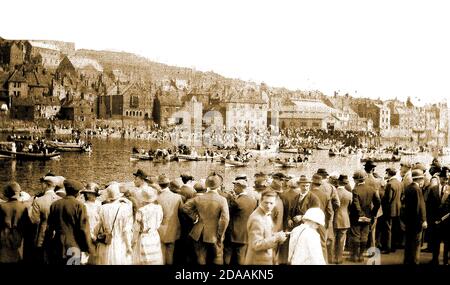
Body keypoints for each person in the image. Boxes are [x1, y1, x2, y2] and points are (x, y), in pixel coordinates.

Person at [182, 172, 230, 265]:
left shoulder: (199, 198)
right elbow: (225, 219)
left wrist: (194, 217)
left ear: (207, 185)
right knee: (218, 256)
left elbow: (185, 207)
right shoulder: (222, 200)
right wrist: (220, 235)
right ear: (219, 185)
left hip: (198, 232)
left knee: (200, 256)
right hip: (214, 233)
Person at [43, 179, 94, 265]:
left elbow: (49, 229)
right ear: (77, 193)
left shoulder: (55, 205)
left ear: (66, 190)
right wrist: (88, 247)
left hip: (57, 245)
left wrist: (47, 246)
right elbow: (83, 229)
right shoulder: (79, 206)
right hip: (73, 246)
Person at [245, 190, 288, 265]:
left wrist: (277, 235)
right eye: (266, 202)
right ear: (260, 201)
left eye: (271, 203)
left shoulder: (265, 214)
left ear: (275, 203)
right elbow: (256, 245)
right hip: (257, 261)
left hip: (264, 259)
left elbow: (266, 235)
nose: (268, 206)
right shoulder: (256, 219)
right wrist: (276, 238)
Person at [95, 183, 134, 265]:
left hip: (106, 242)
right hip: (120, 243)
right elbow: (126, 230)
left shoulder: (103, 208)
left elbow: (97, 226)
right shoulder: (125, 208)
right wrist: (128, 246)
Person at [349, 170, 381, 263]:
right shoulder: (371, 189)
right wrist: (373, 213)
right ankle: (361, 256)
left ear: (356, 180)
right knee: (364, 235)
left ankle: (355, 256)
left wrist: (360, 214)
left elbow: (356, 204)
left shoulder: (355, 190)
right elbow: (378, 202)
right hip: (368, 215)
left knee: (356, 235)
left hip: (356, 216)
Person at [29, 176, 61, 263]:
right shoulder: (60, 200)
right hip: (57, 236)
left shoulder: (39, 200)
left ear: (45, 185)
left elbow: (34, 221)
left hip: (42, 235)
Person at [226, 179, 257, 265]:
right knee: (241, 256)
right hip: (246, 232)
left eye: (235, 186)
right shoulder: (253, 200)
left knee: (228, 255)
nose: (234, 188)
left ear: (239, 187)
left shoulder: (236, 202)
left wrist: (230, 198)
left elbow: (228, 213)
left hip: (233, 233)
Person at [0, 182, 31, 263]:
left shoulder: (2, 206)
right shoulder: (23, 207)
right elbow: (28, 226)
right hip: (18, 239)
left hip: (4, 239)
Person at [132, 186, 163, 265]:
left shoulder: (141, 211)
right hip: (154, 235)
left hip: (144, 237)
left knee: (144, 259)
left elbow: (136, 228)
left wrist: (133, 241)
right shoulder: (158, 208)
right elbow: (160, 220)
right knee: (155, 259)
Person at [157, 174, 183, 265]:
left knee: (161, 252)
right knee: (170, 252)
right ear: (168, 185)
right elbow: (181, 212)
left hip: (160, 228)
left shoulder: (156, 198)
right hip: (174, 226)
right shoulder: (177, 197)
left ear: (159, 184)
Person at [403, 169, 427, 265]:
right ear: (420, 179)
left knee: (408, 243)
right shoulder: (417, 190)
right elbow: (419, 206)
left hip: (409, 221)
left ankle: (407, 261)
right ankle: (414, 261)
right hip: (416, 222)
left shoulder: (408, 188)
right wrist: (423, 220)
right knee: (416, 244)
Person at [381, 167, 403, 254]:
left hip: (390, 209)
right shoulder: (399, 183)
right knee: (395, 228)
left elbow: (388, 198)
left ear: (388, 173)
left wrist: (382, 200)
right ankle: (393, 246)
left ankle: (387, 248)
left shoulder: (390, 184)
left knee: (388, 229)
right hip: (398, 208)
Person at [333, 175, 353, 264]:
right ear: (345, 183)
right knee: (341, 240)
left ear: (338, 182)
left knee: (333, 239)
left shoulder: (333, 192)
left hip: (334, 219)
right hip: (345, 219)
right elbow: (350, 207)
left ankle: (332, 257)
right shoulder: (349, 194)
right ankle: (339, 258)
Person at [81, 182, 102, 264]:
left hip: (98, 234)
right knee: (85, 258)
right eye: (88, 193)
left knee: (96, 258)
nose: (89, 195)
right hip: (87, 233)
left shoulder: (99, 204)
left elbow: (101, 220)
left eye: (92, 193)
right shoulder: (84, 205)